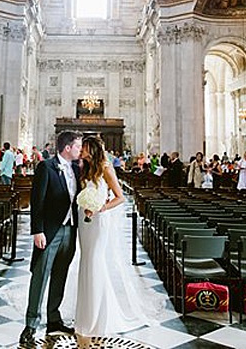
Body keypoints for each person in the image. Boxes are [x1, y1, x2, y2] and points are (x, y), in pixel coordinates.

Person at [75, 135, 145, 336]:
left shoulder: (105, 167)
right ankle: (85, 314)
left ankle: (99, 316)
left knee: (96, 262)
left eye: (85, 147)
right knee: (86, 261)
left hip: (98, 221)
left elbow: (120, 197)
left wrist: (100, 208)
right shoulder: (85, 167)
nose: (81, 150)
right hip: (84, 220)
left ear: (93, 149)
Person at [20, 131, 82, 345]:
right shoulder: (46, 167)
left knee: (60, 275)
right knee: (40, 276)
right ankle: (30, 325)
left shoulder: (76, 169)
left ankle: (54, 319)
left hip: (70, 231)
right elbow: (37, 201)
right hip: (49, 232)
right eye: (77, 147)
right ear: (67, 148)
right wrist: (38, 230)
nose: (80, 151)